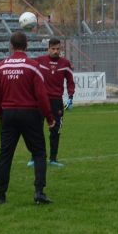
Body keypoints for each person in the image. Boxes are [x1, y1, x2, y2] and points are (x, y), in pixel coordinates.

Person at [0, 31, 55, 205]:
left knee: (5, 155)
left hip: (8, 114)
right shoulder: (33, 66)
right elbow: (41, 95)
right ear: (26, 46)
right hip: (29, 114)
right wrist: (49, 117)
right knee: (39, 152)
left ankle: (1, 196)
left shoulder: (0, 67)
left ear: (11, 46)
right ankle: (39, 192)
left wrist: (0, 115)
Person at [35, 37, 75, 168]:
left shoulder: (65, 63)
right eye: (53, 49)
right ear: (48, 49)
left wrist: (70, 97)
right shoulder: (39, 61)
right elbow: (32, 77)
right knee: (36, 130)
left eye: (58, 49)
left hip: (57, 101)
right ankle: (35, 157)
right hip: (41, 101)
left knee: (55, 130)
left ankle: (53, 159)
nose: (56, 51)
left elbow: (70, 81)